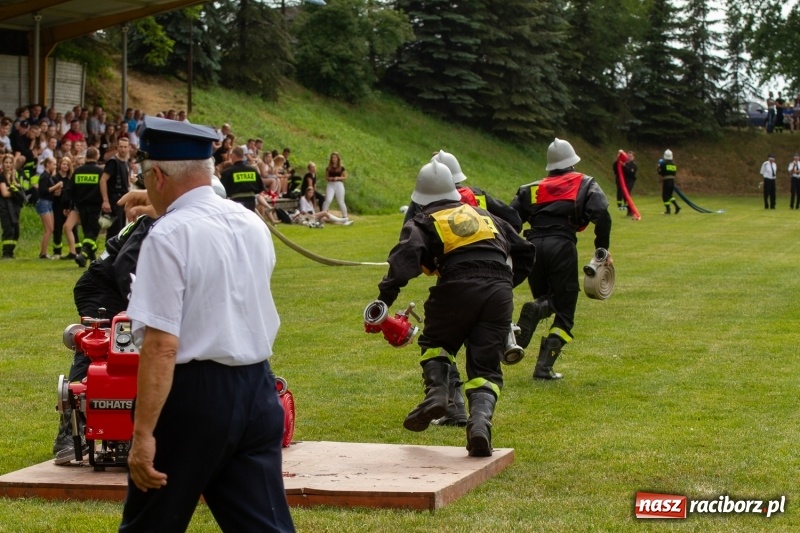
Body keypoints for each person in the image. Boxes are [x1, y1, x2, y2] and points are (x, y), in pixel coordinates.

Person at [119, 116, 294, 532]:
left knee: (151, 524)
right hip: (256, 387)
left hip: (194, 395)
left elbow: (161, 345)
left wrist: (143, 433)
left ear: (157, 176)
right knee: (263, 525)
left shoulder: (168, 235)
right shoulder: (250, 222)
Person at [373, 160, 534, 456]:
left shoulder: (423, 220)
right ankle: (480, 423)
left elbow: (404, 259)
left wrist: (384, 299)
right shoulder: (486, 216)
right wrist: (505, 285)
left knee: (436, 343)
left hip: (457, 284)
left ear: (421, 197)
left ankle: (437, 395)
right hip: (499, 290)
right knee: (486, 367)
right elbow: (524, 251)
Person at [402, 149, 521, 428]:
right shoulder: (477, 196)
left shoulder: (422, 203)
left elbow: (408, 234)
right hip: (496, 278)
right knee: (482, 349)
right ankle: (478, 420)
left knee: (442, 341)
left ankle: (450, 404)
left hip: (453, 276)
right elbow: (513, 220)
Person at [511, 138, 612, 380]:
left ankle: (538, 309)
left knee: (548, 298)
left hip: (532, 247)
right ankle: (543, 368)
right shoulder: (584, 184)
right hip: (562, 246)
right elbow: (602, 215)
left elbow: (509, 219)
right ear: (572, 162)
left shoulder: (531, 189)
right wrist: (602, 250)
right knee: (564, 311)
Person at [71, 147, 105, 267]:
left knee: (87, 232)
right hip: (95, 206)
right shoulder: (100, 172)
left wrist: (69, 205)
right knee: (92, 233)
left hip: (81, 206)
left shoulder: (77, 171)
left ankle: (91, 259)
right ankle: (83, 255)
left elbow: (70, 190)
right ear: (96, 156)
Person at [100, 136, 131, 237]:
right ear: (117, 147)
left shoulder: (126, 162)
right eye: (121, 147)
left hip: (123, 199)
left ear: (129, 148)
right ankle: (110, 252)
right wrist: (105, 200)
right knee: (114, 231)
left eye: (125, 147)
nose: (123, 149)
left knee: (122, 229)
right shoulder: (113, 162)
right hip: (114, 199)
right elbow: (103, 180)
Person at [219, 146, 264, 211]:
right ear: (243, 156)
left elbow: (222, 190)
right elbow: (260, 187)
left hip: (236, 202)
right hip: (251, 202)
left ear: (233, 155)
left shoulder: (228, 172)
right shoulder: (252, 171)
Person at [35, 156, 61, 258]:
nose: (55, 166)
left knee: (50, 229)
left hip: (49, 202)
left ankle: (44, 252)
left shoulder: (48, 176)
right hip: (44, 203)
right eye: (54, 164)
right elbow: (43, 191)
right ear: (48, 164)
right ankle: (43, 253)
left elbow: (49, 191)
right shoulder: (44, 176)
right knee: (49, 229)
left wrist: (56, 192)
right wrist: (57, 186)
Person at [0, 153, 24, 258]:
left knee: (16, 231)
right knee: (8, 230)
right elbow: (5, 193)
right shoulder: (1, 176)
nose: (8, 165)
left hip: (15, 207)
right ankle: (6, 253)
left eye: (10, 162)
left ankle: (11, 252)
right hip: (4, 207)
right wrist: (15, 191)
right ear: (2, 163)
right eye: (6, 162)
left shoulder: (15, 177)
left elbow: (20, 192)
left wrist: (16, 191)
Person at [322, 151, 351, 223]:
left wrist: (338, 178)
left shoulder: (341, 167)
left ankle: (345, 216)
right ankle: (322, 215)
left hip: (339, 184)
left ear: (338, 158)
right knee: (328, 199)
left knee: (341, 201)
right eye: (332, 158)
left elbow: (345, 177)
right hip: (331, 184)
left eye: (335, 157)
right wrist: (330, 178)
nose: (333, 159)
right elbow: (326, 177)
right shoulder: (329, 167)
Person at [657, 149, 681, 215]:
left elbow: (660, 172)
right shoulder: (673, 164)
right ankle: (677, 206)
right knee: (670, 195)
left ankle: (668, 210)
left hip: (666, 180)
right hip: (672, 181)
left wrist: (659, 166)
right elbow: (674, 173)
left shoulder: (663, 164)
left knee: (665, 196)